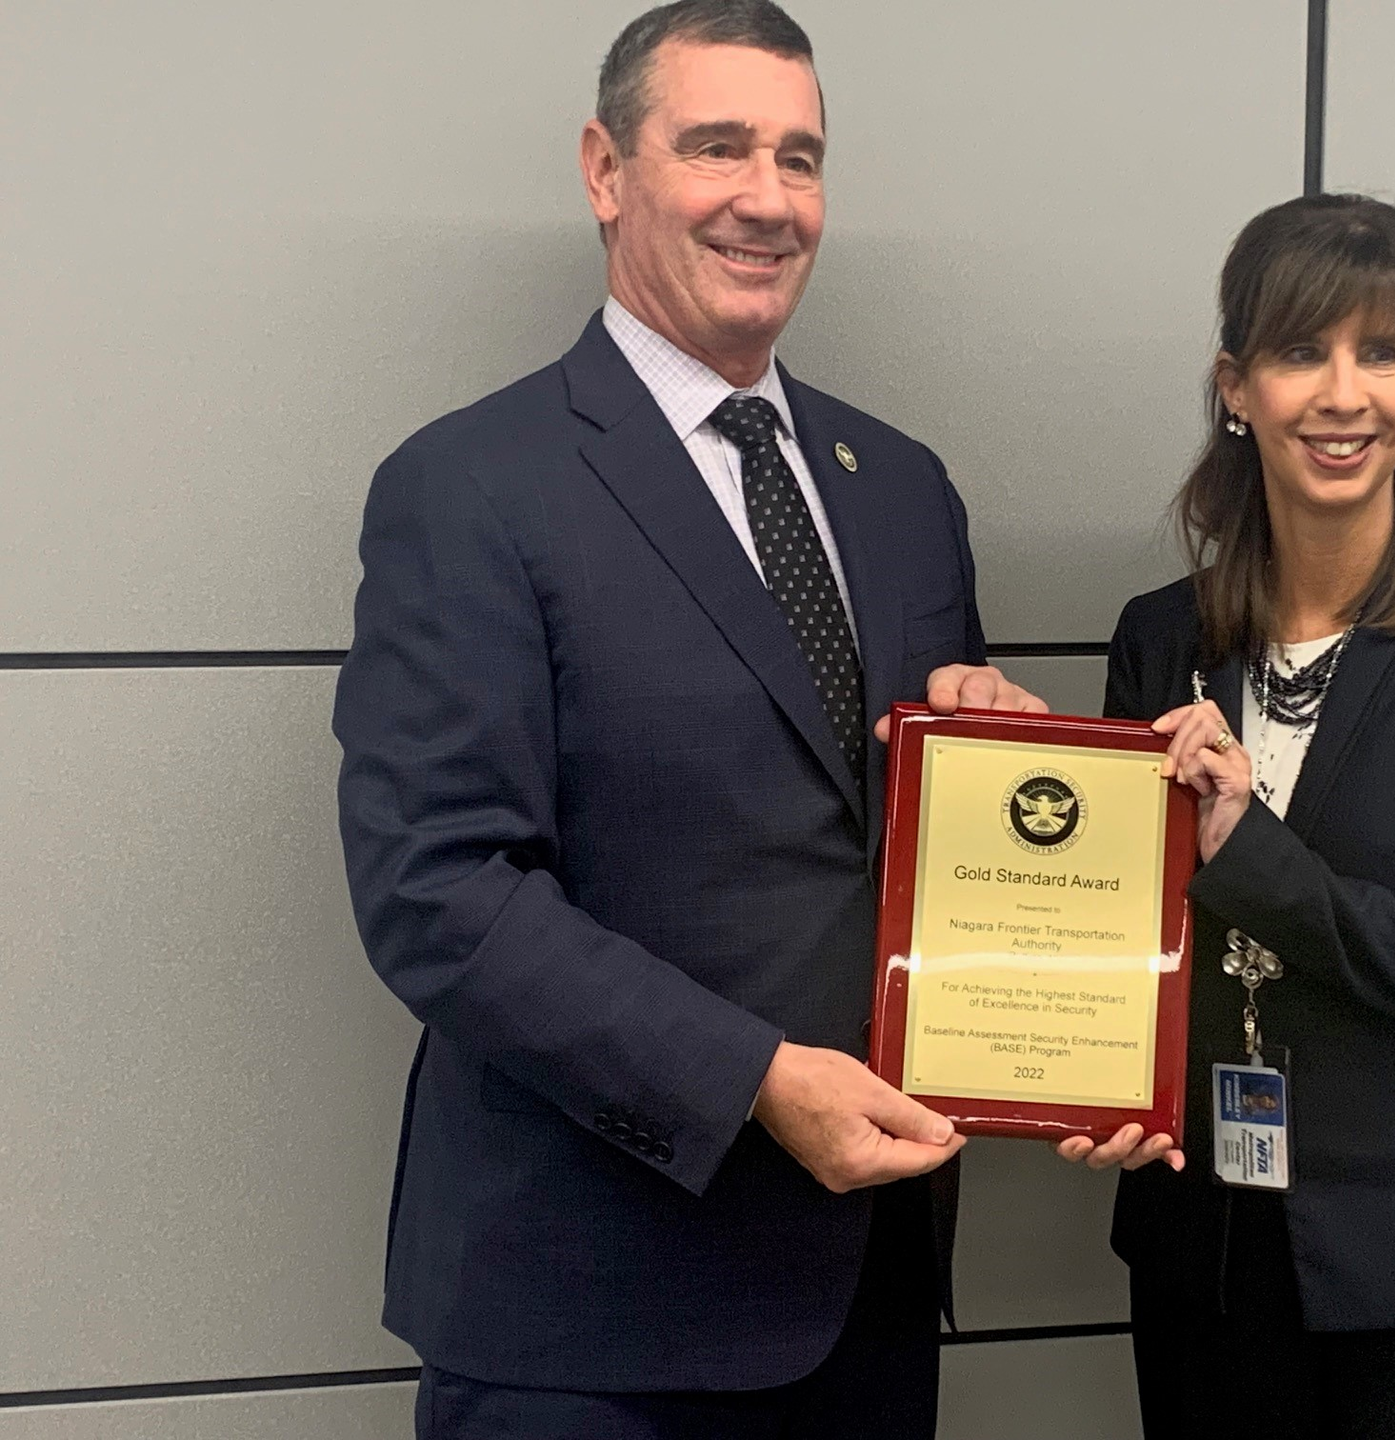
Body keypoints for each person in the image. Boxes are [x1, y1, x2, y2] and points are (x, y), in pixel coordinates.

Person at [331, 3, 1044, 1435]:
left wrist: (1070, 1025)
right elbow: (437, 893)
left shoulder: (901, 491)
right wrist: (752, 1082)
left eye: (801, 157)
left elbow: (918, 863)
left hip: (867, 1309)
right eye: (717, 148)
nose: (767, 199)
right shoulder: (473, 487)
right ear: (607, 169)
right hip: (591, 1323)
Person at [1058, 194, 1395, 1439]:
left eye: (1383, 352)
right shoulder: (1162, 639)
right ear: (1236, 387)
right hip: (1212, 1269)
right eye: (1302, 351)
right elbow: (1126, 938)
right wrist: (1084, 1079)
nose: (1341, 393)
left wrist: (1250, 853)